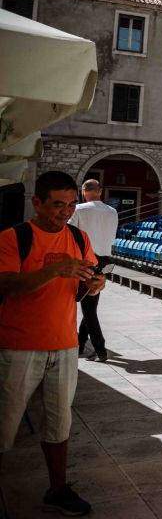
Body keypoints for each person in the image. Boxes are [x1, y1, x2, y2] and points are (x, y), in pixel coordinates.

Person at [0, 171, 106, 516]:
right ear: (37, 203)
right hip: (17, 346)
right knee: (4, 425)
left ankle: (58, 489)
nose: (66, 211)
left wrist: (95, 285)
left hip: (63, 345)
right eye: (58, 204)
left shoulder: (78, 238)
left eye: (71, 204)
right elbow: (7, 287)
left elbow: (78, 290)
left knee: (59, 423)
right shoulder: (13, 238)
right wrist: (53, 271)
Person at [70, 179, 118, 361]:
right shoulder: (112, 211)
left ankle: (100, 348)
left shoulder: (79, 210)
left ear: (83, 191)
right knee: (89, 302)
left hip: (86, 260)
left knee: (89, 308)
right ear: (100, 191)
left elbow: (69, 232)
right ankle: (80, 344)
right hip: (104, 260)